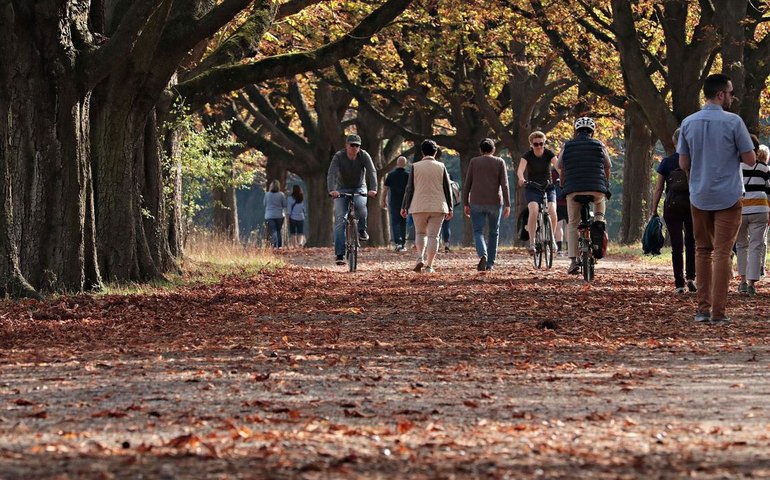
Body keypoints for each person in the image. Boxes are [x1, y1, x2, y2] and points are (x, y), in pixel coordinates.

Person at [678, 73, 756, 323]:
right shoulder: (734, 123)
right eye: (731, 93)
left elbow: (683, 162)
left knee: (702, 250)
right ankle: (719, 313)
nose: (732, 97)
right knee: (722, 252)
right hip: (728, 195)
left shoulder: (688, 123)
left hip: (699, 194)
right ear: (721, 94)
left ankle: (702, 309)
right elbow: (750, 159)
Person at [556, 117, 612, 274]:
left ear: (576, 131)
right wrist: (605, 184)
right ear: (592, 132)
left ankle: (573, 261)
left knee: (573, 223)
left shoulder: (567, 146)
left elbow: (560, 167)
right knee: (600, 207)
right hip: (596, 189)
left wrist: (562, 185)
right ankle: (598, 224)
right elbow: (608, 166)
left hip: (573, 190)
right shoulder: (600, 145)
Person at [650, 128, 696, 294]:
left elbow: (658, 188)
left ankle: (679, 283)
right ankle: (691, 277)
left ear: (675, 142)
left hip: (672, 206)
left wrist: (653, 210)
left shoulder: (666, 162)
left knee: (677, 245)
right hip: (692, 204)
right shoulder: (694, 161)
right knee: (692, 241)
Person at [401, 139, 454, 273]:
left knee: (420, 233)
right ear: (435, 152)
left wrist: (404, 206)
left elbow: (409, 189)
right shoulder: (441, 167)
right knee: (433, 236)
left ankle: (420, 257)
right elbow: (447, 189)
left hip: (418, 205)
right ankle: (429, 265)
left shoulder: (415, 166)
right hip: (438, 206)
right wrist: (450, 207)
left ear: (422, 152)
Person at [327, 134, 377, 266]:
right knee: (340, 220)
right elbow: (331, 173)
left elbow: (372, 172)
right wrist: (332, 190)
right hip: (342, 188)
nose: (354, 148)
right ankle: (340, 254)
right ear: (346, 146)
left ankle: (361, 230)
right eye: (352, 145)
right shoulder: (338, 156)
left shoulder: (364, 156)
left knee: (361, 206)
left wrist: (374, 189)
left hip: (359, 187)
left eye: (357, 145)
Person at [462, 138, 511, 271]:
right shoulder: (500, 162)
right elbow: (504, 185)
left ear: (480, 150)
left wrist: (465, 203)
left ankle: (482, 253)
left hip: (476, 202)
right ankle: (490, 263)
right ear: (493, 149)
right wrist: (507, 204)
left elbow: (467, 184)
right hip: (495, 202)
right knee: (494, 233)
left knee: (478, 231)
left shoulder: (474, 162)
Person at [736, 140, 769, 295]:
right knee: (756, 246)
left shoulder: (736, 168)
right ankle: (751, 284)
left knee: (741, 245)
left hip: (740, 210)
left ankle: (742, 280)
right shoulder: (764, 168)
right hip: (760, 209)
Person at [517, 131, 558, 256]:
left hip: (548, 186)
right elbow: (520, 170)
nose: (539, 146)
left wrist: (562, 177)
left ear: (544, 143)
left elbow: (558, 166)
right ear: (531, 145)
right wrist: (521, 179)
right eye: (536, 144)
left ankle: (552, 239)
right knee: (534, 210)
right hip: (532, 187)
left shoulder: (549, 153)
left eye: (541, 143)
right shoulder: (527, 155)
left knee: (552, 211)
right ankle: (532, 243)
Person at [380, 156, 409, 252]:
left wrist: (383, 200)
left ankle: (398, 242)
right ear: (405, 164)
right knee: (403, 222)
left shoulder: (391, 175)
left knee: (395, 222)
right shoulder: (408, 175)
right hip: (405, 202)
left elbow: (385, 189)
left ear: (397, 163)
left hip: (394, 202)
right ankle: (403, 243)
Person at [263, 179, 287, 248]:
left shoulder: (267, 194)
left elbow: (264, 204)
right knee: (278, 230)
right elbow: (285, 204)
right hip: (279, 215)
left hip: (269, 215)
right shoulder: (281, 195)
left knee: (273, 230)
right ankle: (279, 245)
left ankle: (274, 244)